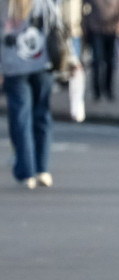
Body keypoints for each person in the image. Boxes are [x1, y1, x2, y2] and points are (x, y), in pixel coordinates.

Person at [1, 0, 61, 188]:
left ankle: (26, 171)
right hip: (42, 62)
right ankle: (42, 169)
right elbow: (57, 25)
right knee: (41, 114)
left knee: (20, 117)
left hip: (13, 65)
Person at [82, 0, 119, 101]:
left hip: (111, 30)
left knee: (110, 61)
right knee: (97, 61)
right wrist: (86, 25)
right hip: (96, 29)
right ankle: (97, 92)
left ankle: (108, 90)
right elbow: (84, 8)